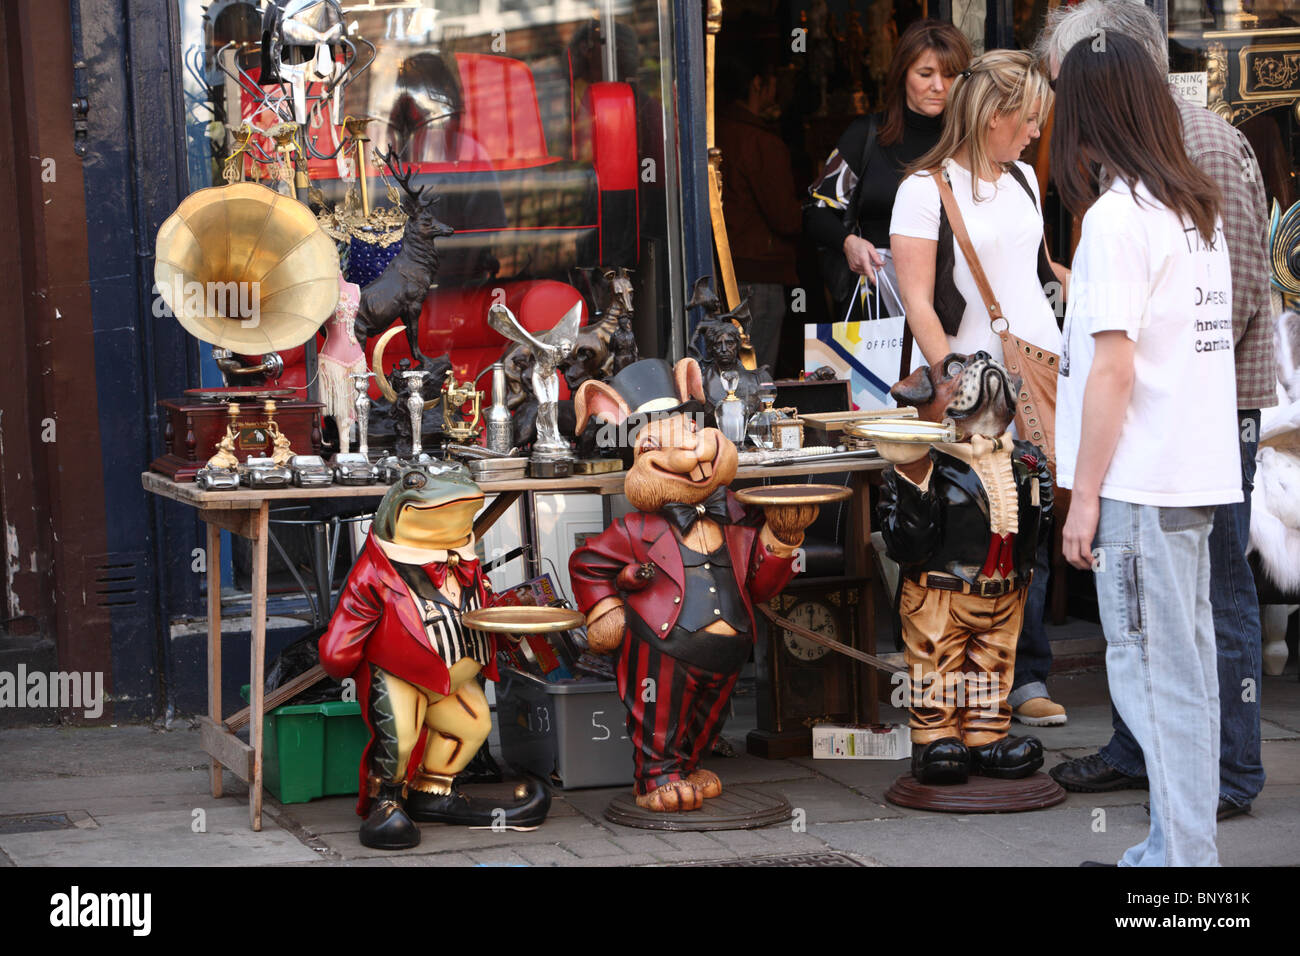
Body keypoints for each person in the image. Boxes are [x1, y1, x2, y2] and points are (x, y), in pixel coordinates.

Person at [1040, 0, 1272, 823]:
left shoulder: (1150, 188)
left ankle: (1202, 820)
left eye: (1066, 89)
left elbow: (1133, 358)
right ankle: (1176, 813)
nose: (1055, 107)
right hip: (1182, 444)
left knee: (1176, 637)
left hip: (1169, 450)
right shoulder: (1167, 187)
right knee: (1180, 637)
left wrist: (1090, 491)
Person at [889, 48, 1069, 727]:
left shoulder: (1023, 177)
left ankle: (1027, 674)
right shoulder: (924, 188)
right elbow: (919, 302)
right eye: (1027, 119)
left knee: (1034, 513)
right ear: (993, 115)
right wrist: (956, 385)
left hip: (1038, 372)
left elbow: (1033, 268)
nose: (1032, 133)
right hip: (975, 386)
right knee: (976, 527)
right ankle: (969, 684)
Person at [804, 19, 971, 323]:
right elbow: (815, 211)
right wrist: (849, 243)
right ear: (902, 74)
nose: (939, 86)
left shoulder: (970, 143)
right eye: (925, 74)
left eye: (950, 75)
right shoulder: (866, 137)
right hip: (877, 301)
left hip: (959, 300)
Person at [716, 54, 803, 375]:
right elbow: (786, 218)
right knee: (754, 380)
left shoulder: (715, 133)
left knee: (725, 376)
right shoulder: (761, 142)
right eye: (772, 81)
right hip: (760, 276)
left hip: (723, 275)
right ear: (757, 84)